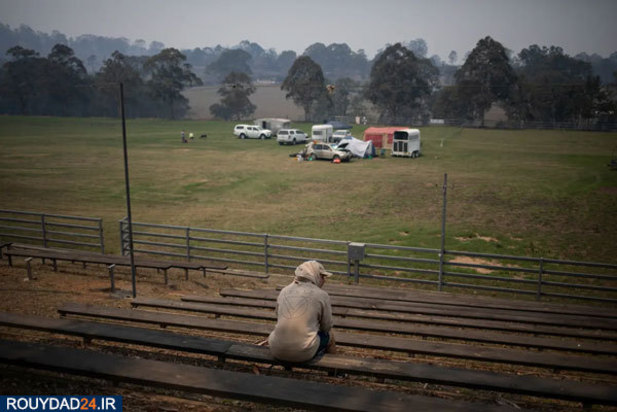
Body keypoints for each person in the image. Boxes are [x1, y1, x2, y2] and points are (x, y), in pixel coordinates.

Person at [268, 260, 336, 363]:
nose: (324, 280)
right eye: (322, 276)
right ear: (315, 276)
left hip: (276, 349)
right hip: (304, 353)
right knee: (330, 336)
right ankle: (335, 371)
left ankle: (288, 369)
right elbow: (326, 327)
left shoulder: (284, 291)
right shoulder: (321, 295)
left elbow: (278, 316)